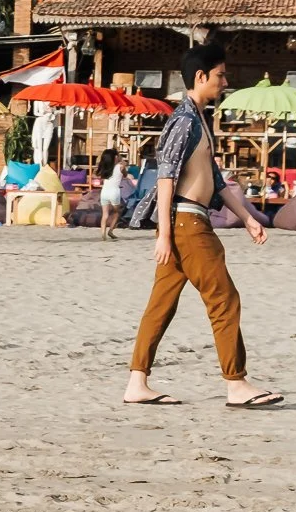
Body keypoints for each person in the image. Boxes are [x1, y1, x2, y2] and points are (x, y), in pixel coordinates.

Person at [124, 42, 283, 409]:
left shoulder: (197, 121)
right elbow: (166, 176)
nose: (225, 81)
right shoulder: (183, 121)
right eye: (221, 74)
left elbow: (215, 179)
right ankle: (237, 384)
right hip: (188, 226)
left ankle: (137, 382)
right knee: (223, 299)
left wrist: (247, 219)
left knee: (161, 304)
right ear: (201, 77)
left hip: (186, 222)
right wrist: (164, 233)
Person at [97, 147, 127, 241]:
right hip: (114, 192)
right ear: (115, 157)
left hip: (104, 192)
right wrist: (122, 161)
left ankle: (103, 233)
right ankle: (111, 230)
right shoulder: (120, 167)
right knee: (116, 212)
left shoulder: (104, 168)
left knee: (105, 214)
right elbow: (125, 175)